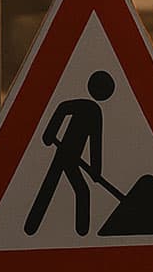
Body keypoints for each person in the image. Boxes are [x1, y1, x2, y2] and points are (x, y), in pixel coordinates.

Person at [25, 69, 116, 236]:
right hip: (65, 153)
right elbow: (63, 108)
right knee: (67, 188)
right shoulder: (90, 109)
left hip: (72, 157)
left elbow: (95, 142)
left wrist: (96, 170)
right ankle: (80, 233)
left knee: (56, 187)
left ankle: (78, 234)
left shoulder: (94, 111)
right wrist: (49, 133)